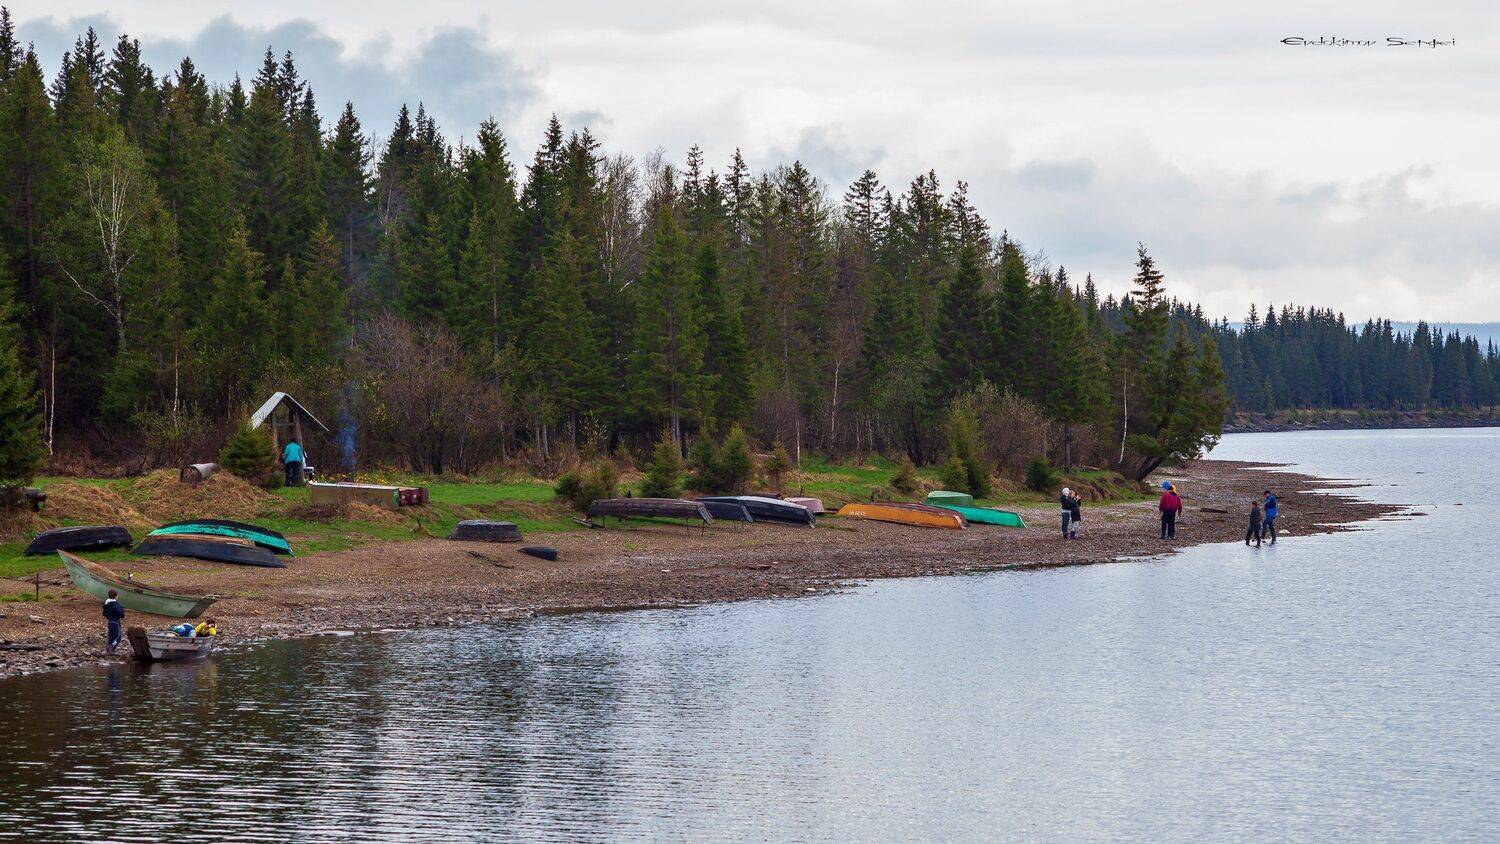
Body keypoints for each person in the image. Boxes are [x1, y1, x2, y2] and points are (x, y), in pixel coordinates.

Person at [103, 589, 125, 655]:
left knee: (111, 636)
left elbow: (104, 613)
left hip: (110, 621)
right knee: (118, 637)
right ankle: (111, 649)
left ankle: (108, 648)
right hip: (115, 621)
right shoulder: (116, 604)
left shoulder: (107, 604)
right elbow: (121, 614)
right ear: (116, 596)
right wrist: (120, 615)